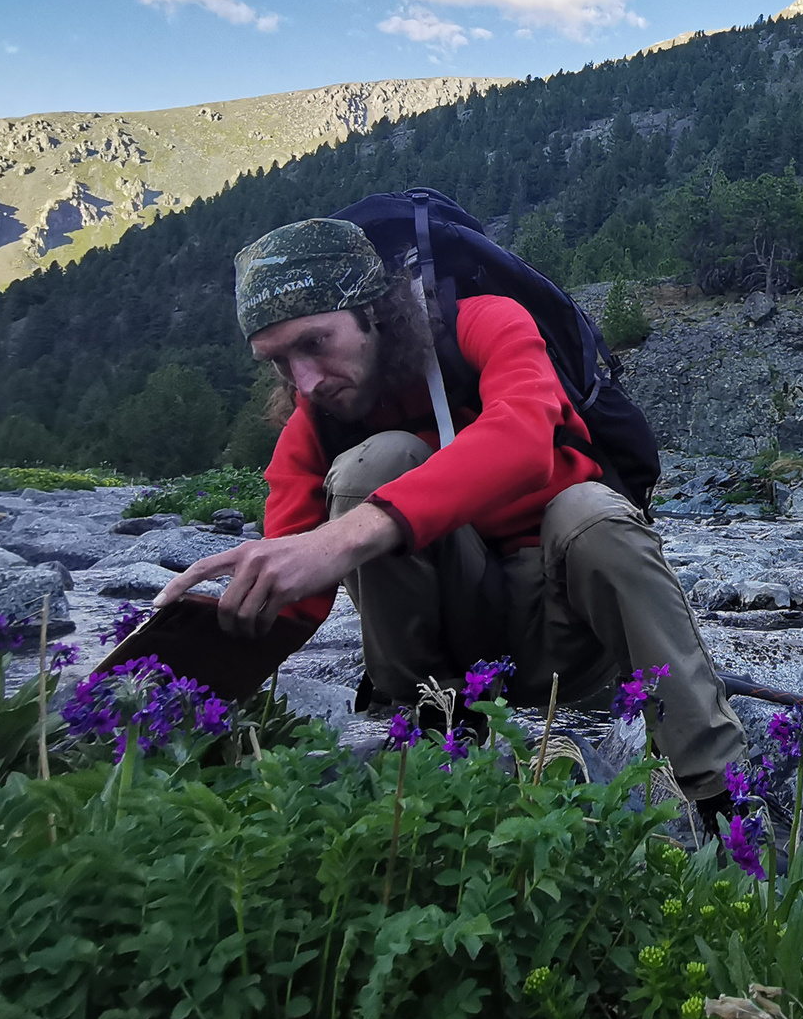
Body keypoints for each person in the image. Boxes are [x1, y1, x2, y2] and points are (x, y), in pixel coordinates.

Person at [155, 217, 745, 810]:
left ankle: (722, 795)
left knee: (588, 510)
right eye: (278, 361)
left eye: (315, 343)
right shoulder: (319, 423)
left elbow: (523, 440)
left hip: (567, 644)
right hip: (450, 662)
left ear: (375, 312)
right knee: (372, 465)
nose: (304, 382)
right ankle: (430, 728)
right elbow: (294, 600)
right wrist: (167, 673)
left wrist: (343, 540)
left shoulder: (487, 324)